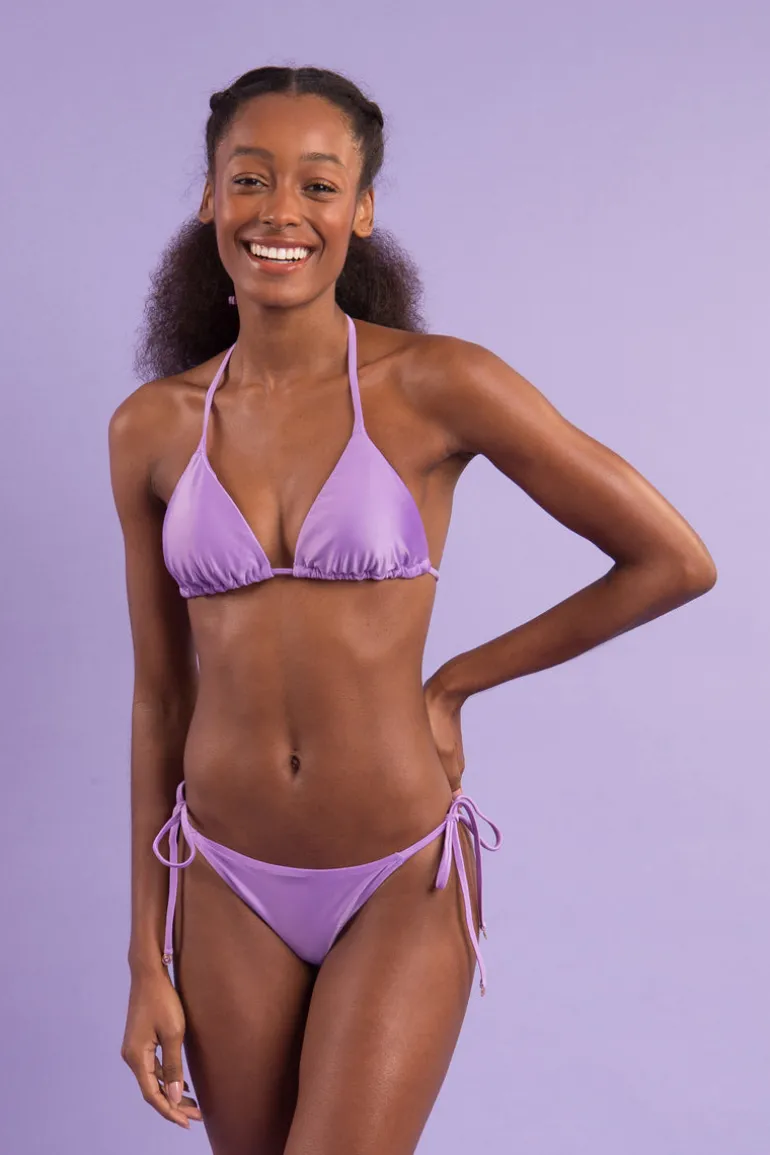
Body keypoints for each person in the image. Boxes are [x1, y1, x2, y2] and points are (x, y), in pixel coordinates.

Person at [108, 65, 717, 1155]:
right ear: (209, 197)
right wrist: (144, 957)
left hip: (399, 869)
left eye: (318, 184)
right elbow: (159, 701)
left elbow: (671, 560)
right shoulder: (151, 426)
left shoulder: (437, 384)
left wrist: (455, 683)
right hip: (223, 876)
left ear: (361, 210)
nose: (281, 212)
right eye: (249, 179)